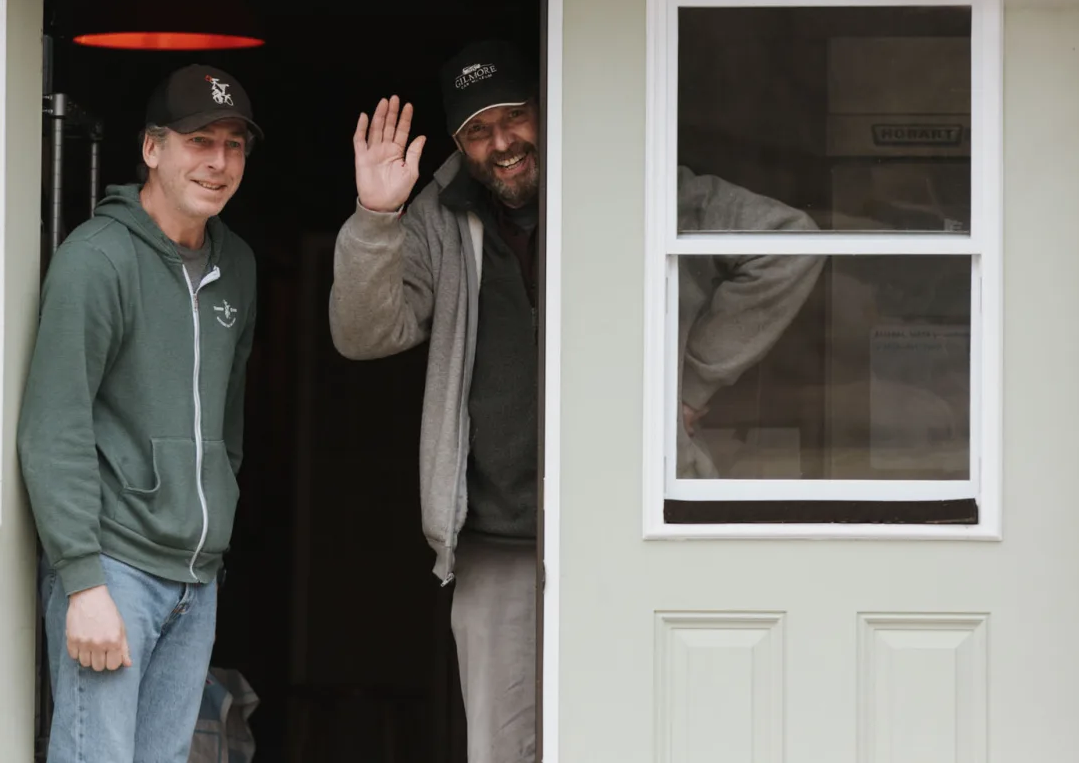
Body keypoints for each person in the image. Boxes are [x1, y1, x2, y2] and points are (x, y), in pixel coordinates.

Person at [328, 40, 821, 763]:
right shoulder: (438, 216)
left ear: (544, 110)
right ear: (460, 146)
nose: (501, 143)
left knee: (644, 733)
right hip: (501, 537)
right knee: (501, 748)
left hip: (629, 526)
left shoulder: (629, 180)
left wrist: (686, 384)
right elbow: (365, 334)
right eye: (477, 131)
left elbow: (789, 243)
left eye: (513, 117)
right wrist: (377, 215)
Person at [17, 64, 261, 763]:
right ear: (153, 149)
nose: (218, 162)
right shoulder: (96, 261)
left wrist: (217, 506)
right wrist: (84, 581)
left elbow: (228, 421)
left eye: (234, 145)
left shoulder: (236, 265)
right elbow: (52, 428)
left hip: (197, 574)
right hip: (115, 567)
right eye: (199, 141)